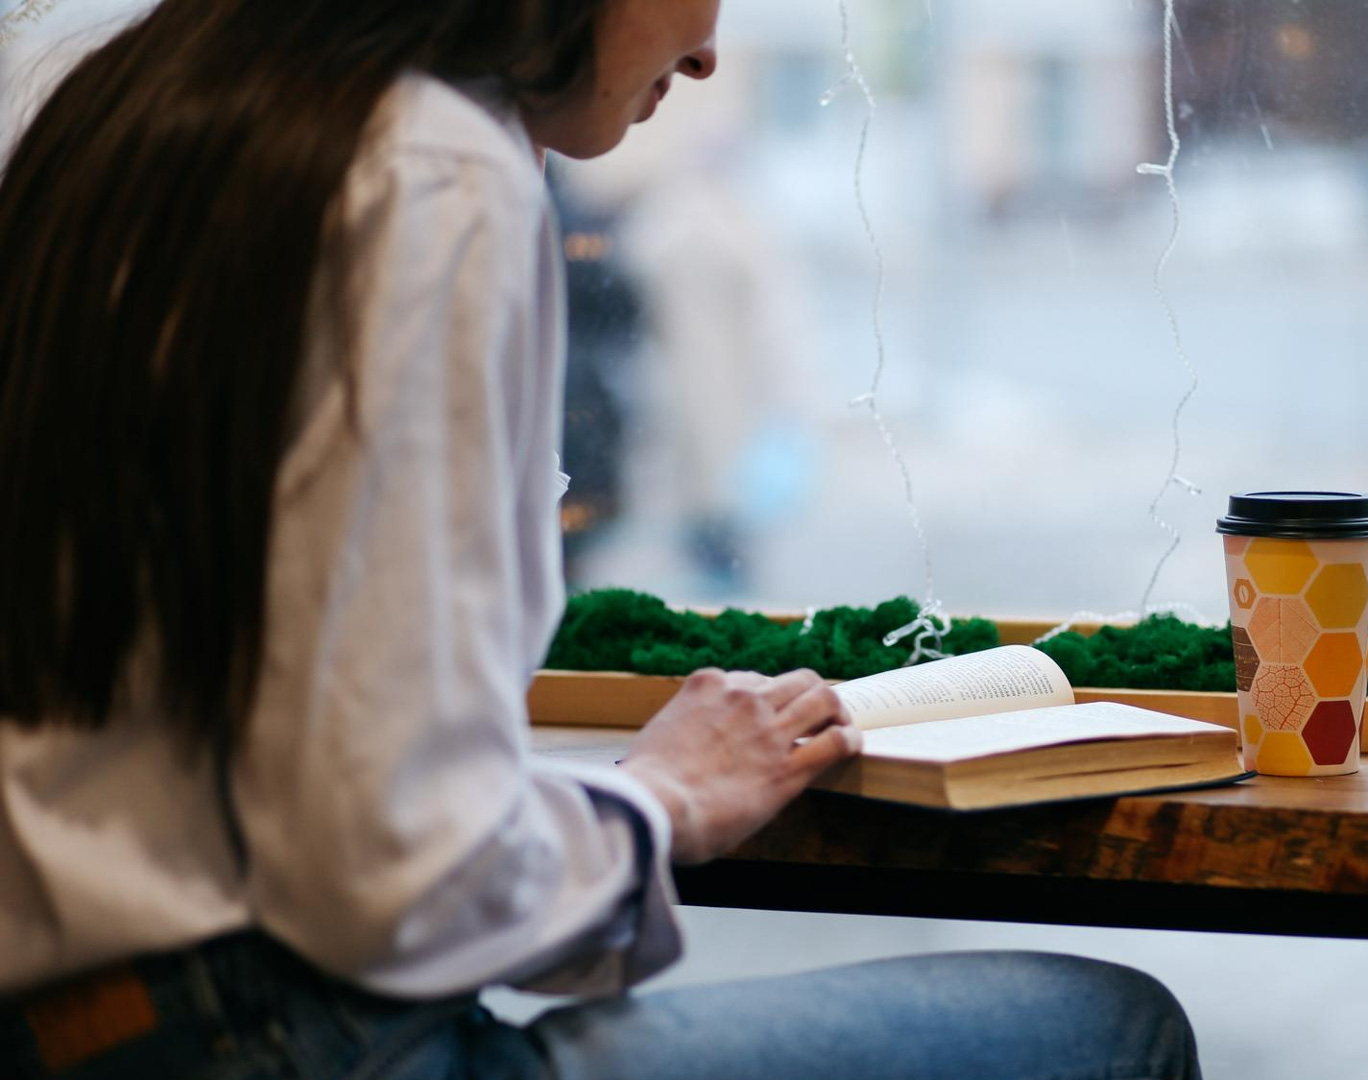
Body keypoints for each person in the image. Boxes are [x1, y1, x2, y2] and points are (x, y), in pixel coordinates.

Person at [0, 2, 1203, 1079]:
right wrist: (661, 801)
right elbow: (383, 870)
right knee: (1106, 1027)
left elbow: (285, 736)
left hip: (68, 1007)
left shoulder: (138, 104)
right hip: (261, 1030)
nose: (708, 45)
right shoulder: (433, 167)